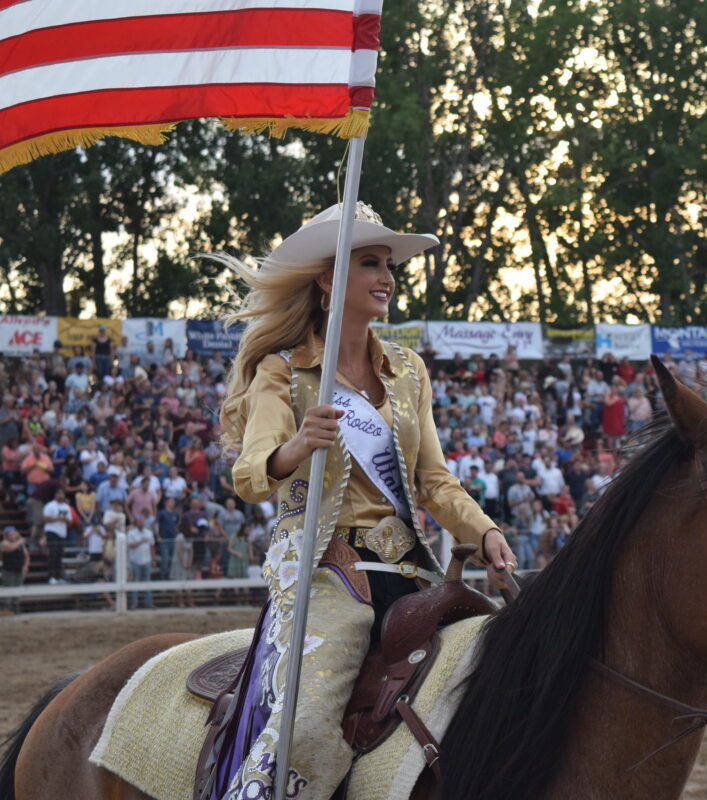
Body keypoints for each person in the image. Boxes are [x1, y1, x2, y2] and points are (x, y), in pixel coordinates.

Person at [203, 202, 517, 799]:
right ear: (328, 279)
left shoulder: (407, 371)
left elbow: (435, 482)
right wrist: (296, 448)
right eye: (370, 261)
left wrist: (484, 531)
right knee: (308, 728)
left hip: (414, 573)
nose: (388, 275)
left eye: (389, 263)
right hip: (328, 576)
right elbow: (248, 476)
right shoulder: (284, 372)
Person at [126, 511, 156, 609]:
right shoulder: (131, 533)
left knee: (147, 582)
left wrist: (153, 559)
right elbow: (129, 546)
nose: (141, 523)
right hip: (135, 561)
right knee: (135, 582)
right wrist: (140, 542)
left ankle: (149, 603)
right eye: (139, 522)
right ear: (136, 522)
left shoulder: (149, 533)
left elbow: (152, 547)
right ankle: (134, 603)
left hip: (146, 560)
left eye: (142, 522)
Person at [42, 487, 72, 583]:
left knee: (60, 555)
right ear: (55, 495)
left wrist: (65, 520)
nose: (61, 495)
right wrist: (58, 519)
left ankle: (59, 577)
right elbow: (45, 518)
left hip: (62, 533)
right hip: (52, 531)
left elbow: (70, 520)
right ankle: (51, 577)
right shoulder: (50, 506)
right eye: (59, 493)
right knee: (53, 555)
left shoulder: (66, 507)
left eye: (62, 494)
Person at [0, 526, 29, 614]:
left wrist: (25, 566)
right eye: (10, 535)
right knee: (8, 589)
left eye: (13, 534)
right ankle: (7, 609)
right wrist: (20, 541)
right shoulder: (4, 543)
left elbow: (26, 555)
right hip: (8, 571)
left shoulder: (20, 545)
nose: (12, 536)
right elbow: (10, 548)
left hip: (19, 570)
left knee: (18, 589)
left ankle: (16, 608)